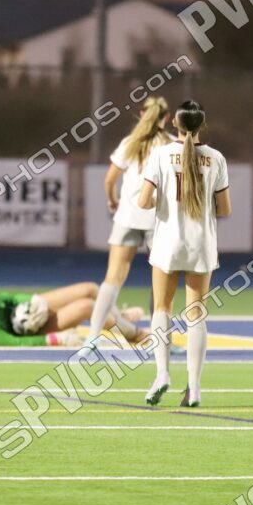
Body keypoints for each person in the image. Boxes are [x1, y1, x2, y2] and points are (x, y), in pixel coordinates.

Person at [137, 100, 231, 407]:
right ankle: (194, 387)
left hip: (168, 241)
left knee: (161, 308)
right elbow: (225, 209)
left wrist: (163, 202)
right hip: (201, 243)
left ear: (174, 123)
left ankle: (162, 374)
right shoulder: (216, 158)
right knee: (196, 314)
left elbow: (143, 201)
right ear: (203, 124)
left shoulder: (161, 154)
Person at [82, 96, 172, 353]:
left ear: (141, 114)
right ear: (167, 118)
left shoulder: (130, 143)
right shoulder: (171, 145)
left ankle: (92, 338)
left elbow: (109, 180)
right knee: (160, 282)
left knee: (112, 278)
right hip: (159, 218)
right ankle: (161, 343)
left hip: (128, 216)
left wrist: (113, 201)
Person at [0, 275, 148, 347]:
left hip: (26, 315)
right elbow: (14, 342)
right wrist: (56, 339)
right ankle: (134, 334)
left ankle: (117, 317)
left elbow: (11, 298)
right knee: (88, 307)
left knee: (91, 289)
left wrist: (33, 302)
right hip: (29, 330)